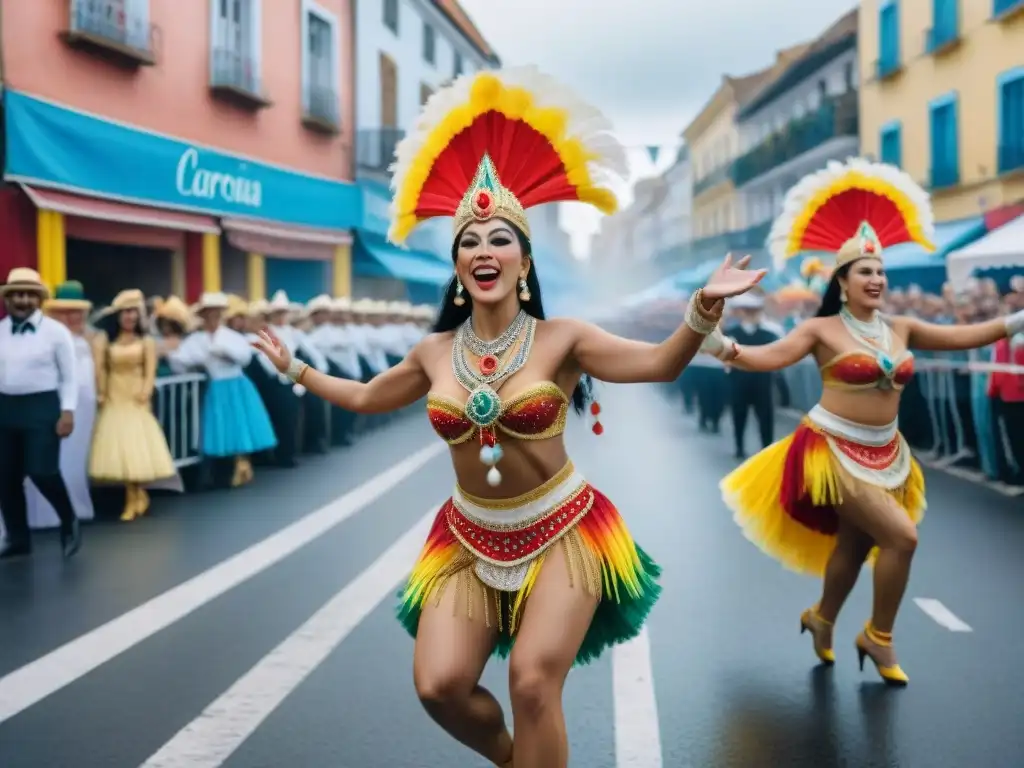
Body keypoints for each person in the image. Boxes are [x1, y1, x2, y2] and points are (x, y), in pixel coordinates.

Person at [252, 67, 764, 768]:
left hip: (564, 531)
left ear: (523, 261)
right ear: (457, 265)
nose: (483, 251)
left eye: (499, 240)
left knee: (530, 682)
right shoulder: (434, 351)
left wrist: (703, 309)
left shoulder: (565, 339)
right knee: (439, 686)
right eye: (469, 241)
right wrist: (294, 369)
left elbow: (659, 364)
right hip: (467, 537)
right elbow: (371, 397)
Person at [703, 158, 1024, 687]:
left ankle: (822, 619)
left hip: (888, 452)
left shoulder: (902, 325)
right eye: (865, 273)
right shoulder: (821, 329)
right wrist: (715, 338)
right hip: (831, 450)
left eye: (880, 272)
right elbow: (766, 358)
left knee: (854, 546)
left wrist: (1015, 318)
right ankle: (878, 636)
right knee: (901, 538)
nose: (876, 279)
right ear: (844, 283)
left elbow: (973, 335)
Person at [0, 267, 82, 559]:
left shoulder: (56, 332)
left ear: (38, 299)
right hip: (6, 407)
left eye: (29, 295)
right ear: (7, 299)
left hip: (42, 407)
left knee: (41, 470)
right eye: (16, 295)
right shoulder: (0, 331)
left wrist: (67, 411)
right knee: (6, 477)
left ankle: (69, 520)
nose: (22, 300)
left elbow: (70, 376)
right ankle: (18, 538)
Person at [166, 292, 277, 488]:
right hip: (215, 386)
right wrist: (181, 356)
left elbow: (244, 357)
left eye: (216, 313)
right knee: (218, 425)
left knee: (239, 423)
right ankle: (223, 469)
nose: (212, 317)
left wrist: (224, 351)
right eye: (209, 313)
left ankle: (241, 462)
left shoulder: (231, 336)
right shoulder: (196, 339)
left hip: (235, 384)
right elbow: (179, 362)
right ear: (203, 315)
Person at [89, 289, 178, 521]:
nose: (129, 317)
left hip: (137, 396)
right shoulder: (105, 340)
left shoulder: (146, 341)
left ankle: (136, 495)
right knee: (121, 447)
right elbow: (100, 369)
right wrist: (101, 393)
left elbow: (151, 371)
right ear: (117, 315)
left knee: (137, 447)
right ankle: (134, 494)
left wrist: (146, 391)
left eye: (133, 312)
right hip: (115, 396)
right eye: (125, 312)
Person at [27, 280, 97, 527]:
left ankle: (77, 508)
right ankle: (47, 514)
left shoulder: (87, 340)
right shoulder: (47, 339)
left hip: (86, 408)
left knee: (77, 460)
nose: (72, 317)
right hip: (57, 407)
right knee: (51, 460)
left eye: (76, 311)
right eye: (65, 311)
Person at [724, 291, 781, 459]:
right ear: (742, 312)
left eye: (755, 311)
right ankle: (739, 446)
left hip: (762, 382)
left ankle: (767, 448)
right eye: (749, 311)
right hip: (739, 381)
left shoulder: (769, 335)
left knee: (765, 417)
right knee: (739, 415)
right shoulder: (731, 333)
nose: (753, 314)